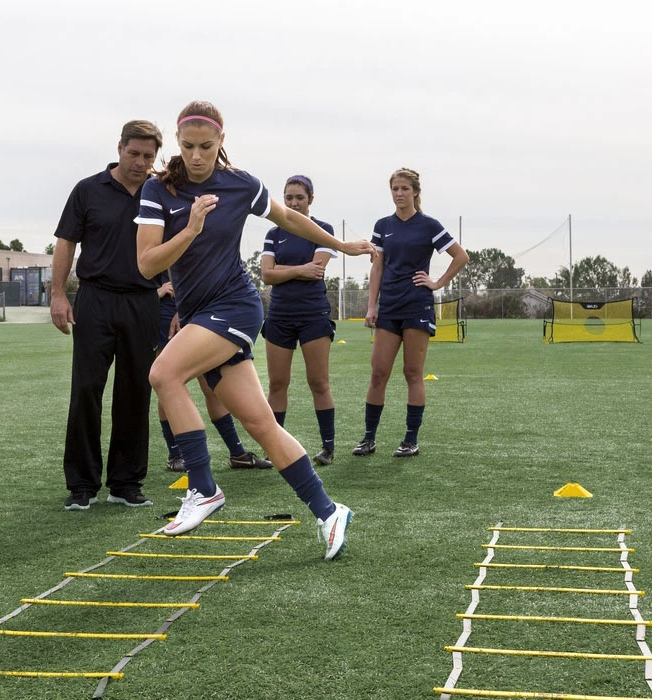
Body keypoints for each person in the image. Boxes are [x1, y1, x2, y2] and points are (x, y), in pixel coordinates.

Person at [136, 101, 374, 560]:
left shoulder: (241, 184)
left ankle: (203, 487)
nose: (197, 155)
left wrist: (341, 245)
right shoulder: (157, 189)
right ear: (177, 143)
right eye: (188, 146)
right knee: (262, 424)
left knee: (163, 374)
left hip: (236, 307)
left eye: (206, 146)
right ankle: (329, 512)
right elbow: (147, 264)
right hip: (199, 312)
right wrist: (189, 229)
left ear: (221, 142)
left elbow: (290, 218)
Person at [50, 120, 164, 511]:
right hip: (95, 300)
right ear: (119, 149)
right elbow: (66, 243)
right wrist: (58, 295)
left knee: (136, 392)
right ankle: (82, 484)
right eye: (134, 153)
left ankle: (125, 483)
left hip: (144, 301)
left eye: (148, 156)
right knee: (86, 390)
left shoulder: (160, 192)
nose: (140, 162)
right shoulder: (87, 190)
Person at [353, 167, 469, 459]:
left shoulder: (429, 225)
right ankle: (368, 438)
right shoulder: (383, 225)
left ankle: (410, 440)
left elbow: (461, 256)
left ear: (416, 192)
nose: (399, 194)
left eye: (405, 188)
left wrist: (437, 283)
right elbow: (377, 267)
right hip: (389, 307)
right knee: (378, 373)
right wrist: (372, 305)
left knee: (412, 373)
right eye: (395, 189)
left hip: (417, 305)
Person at [156, 271, 273, 473]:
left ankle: (237, 454)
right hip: (168, 314)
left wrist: (185, 309)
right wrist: (158, 293)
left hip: (199, 312)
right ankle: (175, 455)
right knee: (169, 383)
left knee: (211, 386)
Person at [260, 175, 339, 466]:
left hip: (313, 315)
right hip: (279, 315)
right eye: (288, 198)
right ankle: (274, 449)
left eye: (299, 198)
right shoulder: (273, 233)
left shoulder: (324, 230)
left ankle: (328, 447)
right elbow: (266, 275)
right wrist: (298, 269)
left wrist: (283, 270)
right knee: (277, 384)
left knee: (318, 382)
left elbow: (316, 271)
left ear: (311, 200)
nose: (293, 203)